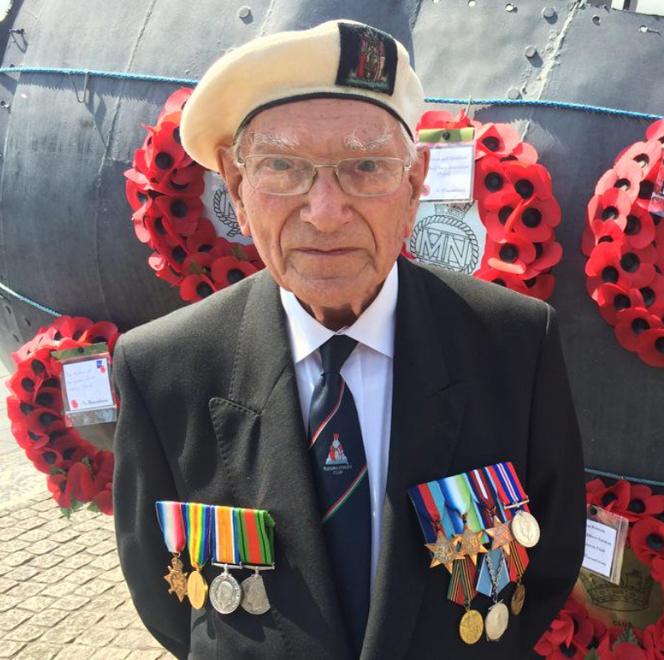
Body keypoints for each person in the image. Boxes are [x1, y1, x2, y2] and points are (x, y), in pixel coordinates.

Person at [112, 18, 585, 660]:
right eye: (282, 167)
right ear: (238, 190)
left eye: (365, 166)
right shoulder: (165, 369)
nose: (325, 211)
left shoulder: (512, 343)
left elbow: (549, 559)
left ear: (414, 186)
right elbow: (165, 596)